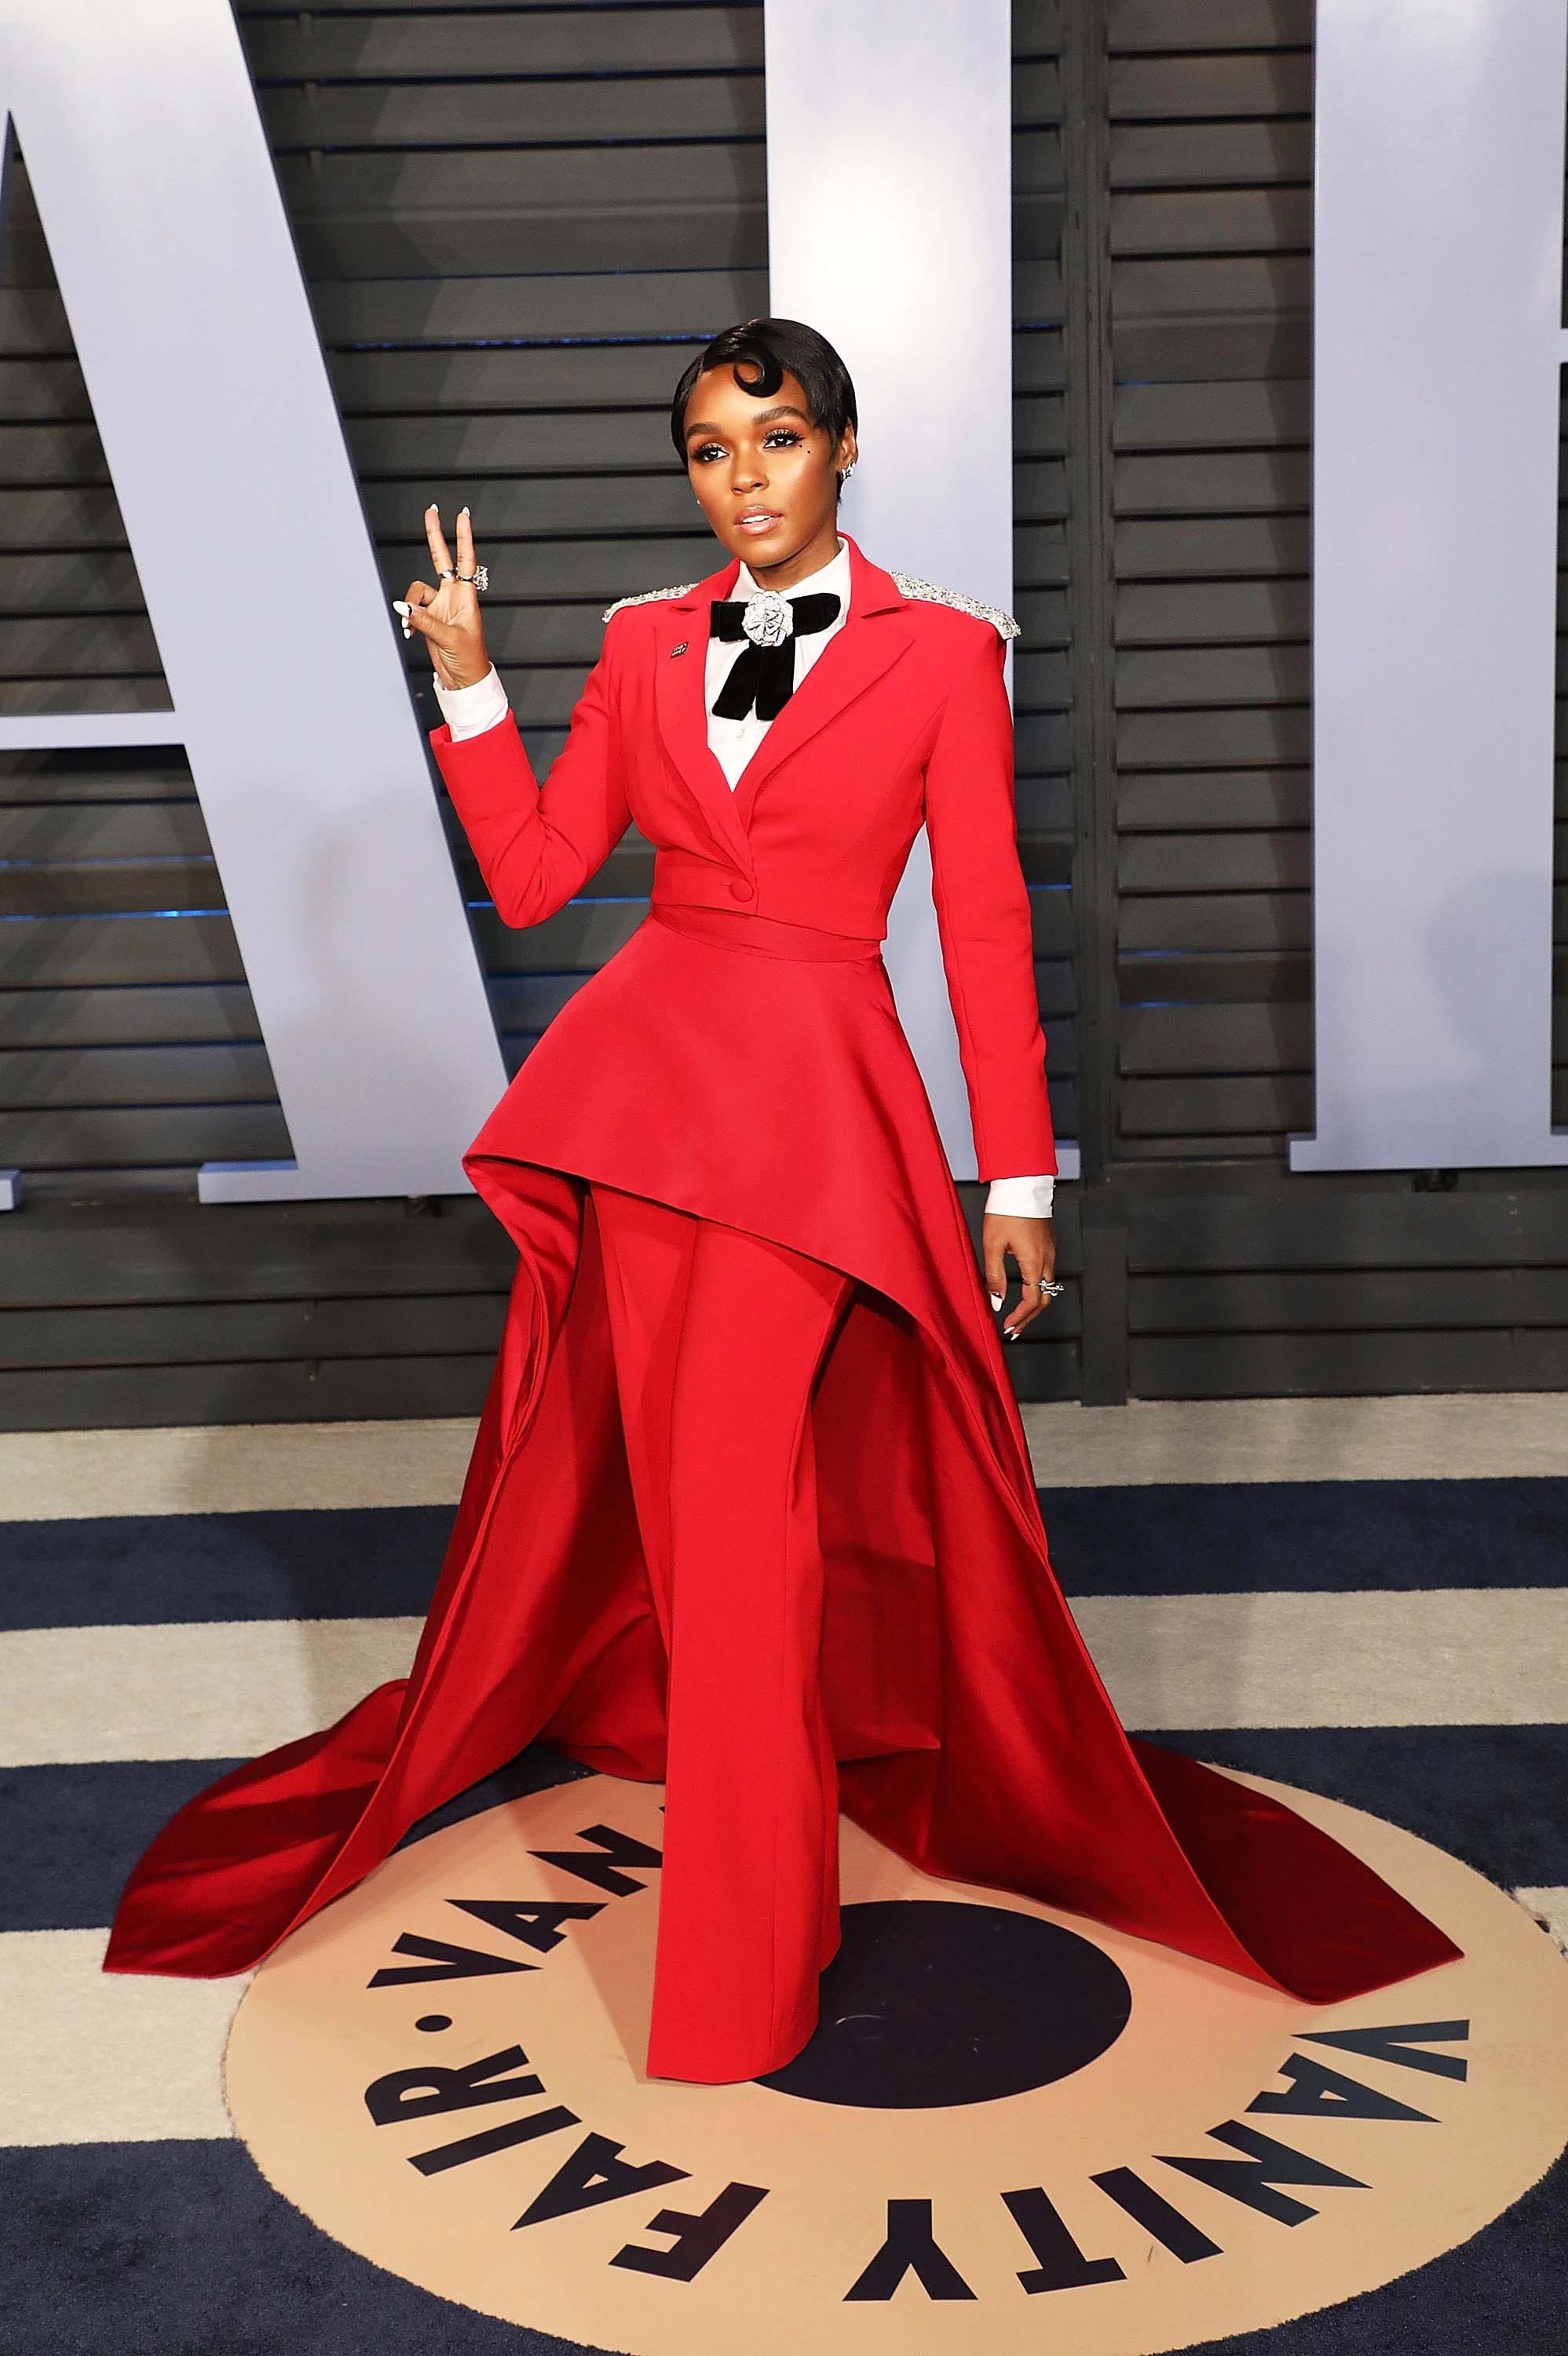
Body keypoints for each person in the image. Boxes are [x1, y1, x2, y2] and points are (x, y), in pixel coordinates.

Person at [101, 318, 1462, 2083]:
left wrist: (1019, 1173)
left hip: (812, 1126)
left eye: (778, 437)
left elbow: (982, 923)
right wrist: (471, 686)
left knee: (740, 1522)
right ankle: (716, 1832)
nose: (743, 478)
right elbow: (536, 879)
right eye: (709, 450)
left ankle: (741, 1970)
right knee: (693, 1511)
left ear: (844, 448)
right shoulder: (641, 641)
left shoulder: (947, 652)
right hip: (647, 1112)